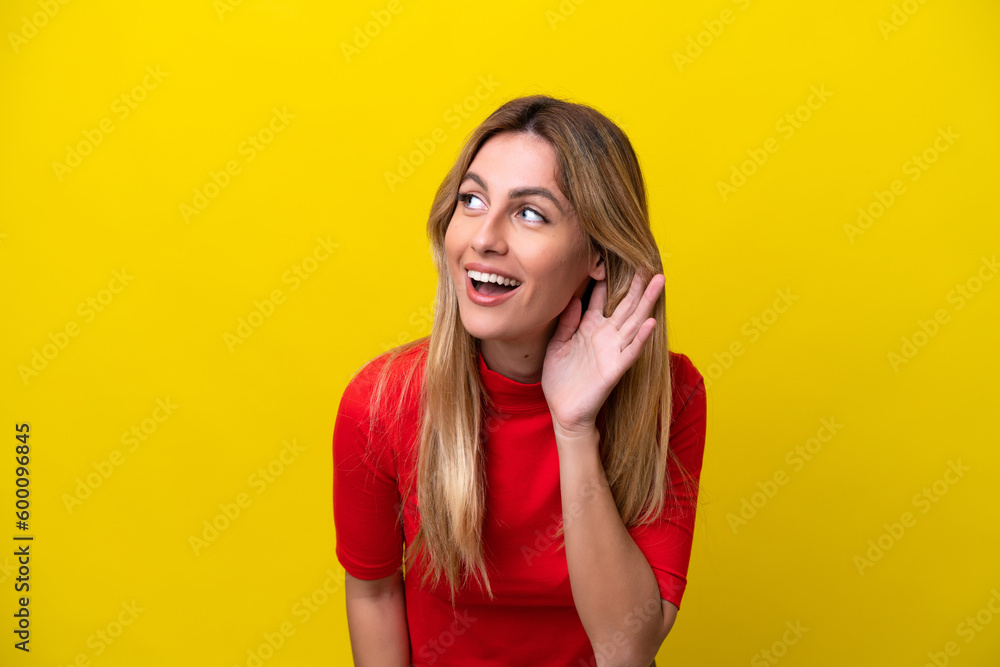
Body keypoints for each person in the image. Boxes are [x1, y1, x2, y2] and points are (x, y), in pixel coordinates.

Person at [333, 94, 707, 667]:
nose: (484, 238)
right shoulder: (381, 401)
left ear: (598, 253)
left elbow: (627, 650)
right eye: (472, 200)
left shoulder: (669, 397)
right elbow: (374, 593)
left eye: (530, 213)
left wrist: (575, 425)